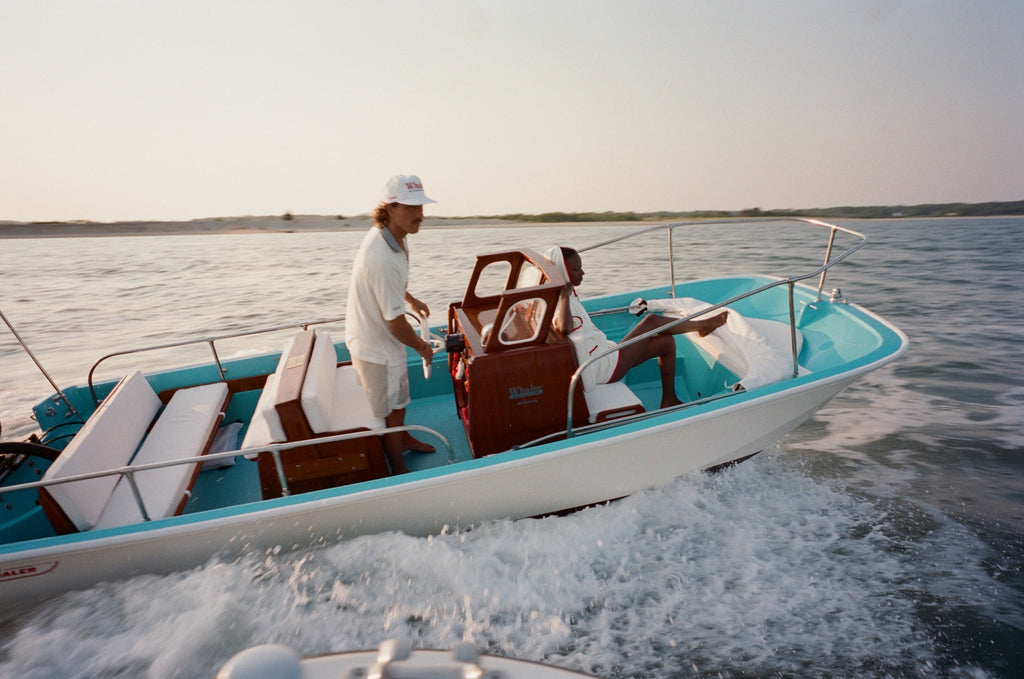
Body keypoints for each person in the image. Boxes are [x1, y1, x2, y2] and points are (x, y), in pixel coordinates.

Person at [548, 246, 728, 409]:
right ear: (563, 272)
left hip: (603, 355)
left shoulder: (557, 294)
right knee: (651, 321)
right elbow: (564, 328)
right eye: (576, 269)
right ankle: (703, 326)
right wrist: (564, 297)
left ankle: (669, 400)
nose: (583, 273)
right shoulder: (561, 300)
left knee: (666, 343)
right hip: (603, 367)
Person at [345, 175, 437, 474]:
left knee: (401, 401)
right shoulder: (380, 255)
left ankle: (405, 439)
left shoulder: (396, 236)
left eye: (420, 206)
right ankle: (398, 469)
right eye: (411, 207)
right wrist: (423, 347)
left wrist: (410, 298)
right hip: (375, 348)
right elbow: (397, 325)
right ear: (390, 207)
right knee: (390, 413)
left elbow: (390, 287)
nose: (419, 214)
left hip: (388, 341)